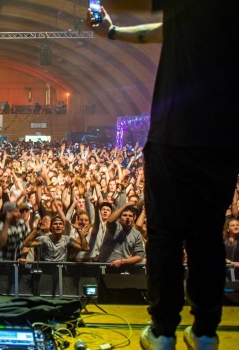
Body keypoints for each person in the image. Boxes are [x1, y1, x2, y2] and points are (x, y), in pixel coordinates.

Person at [88, 3, 239, 350]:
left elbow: (142, 15)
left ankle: (163, 331)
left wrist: (108, 27)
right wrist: (111, 32)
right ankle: (204, 332)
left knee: (166, 236)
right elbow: (165, 28)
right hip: (224, 140)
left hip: (174, 135)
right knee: (207, 237)